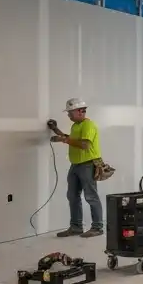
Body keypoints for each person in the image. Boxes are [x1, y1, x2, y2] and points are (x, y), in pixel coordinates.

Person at [49, 98, 104, 238]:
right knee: (72, 196)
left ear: (80, 111)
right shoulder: (76, 126)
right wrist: (55, 130)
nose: (68, 115)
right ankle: (76, 227)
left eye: (70, 112)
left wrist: (63, 140)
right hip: (76, 165)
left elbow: (84, 145)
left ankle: (97, 227)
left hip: (87, 164)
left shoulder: (88, 125)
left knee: (91, 196)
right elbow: (72, 139)